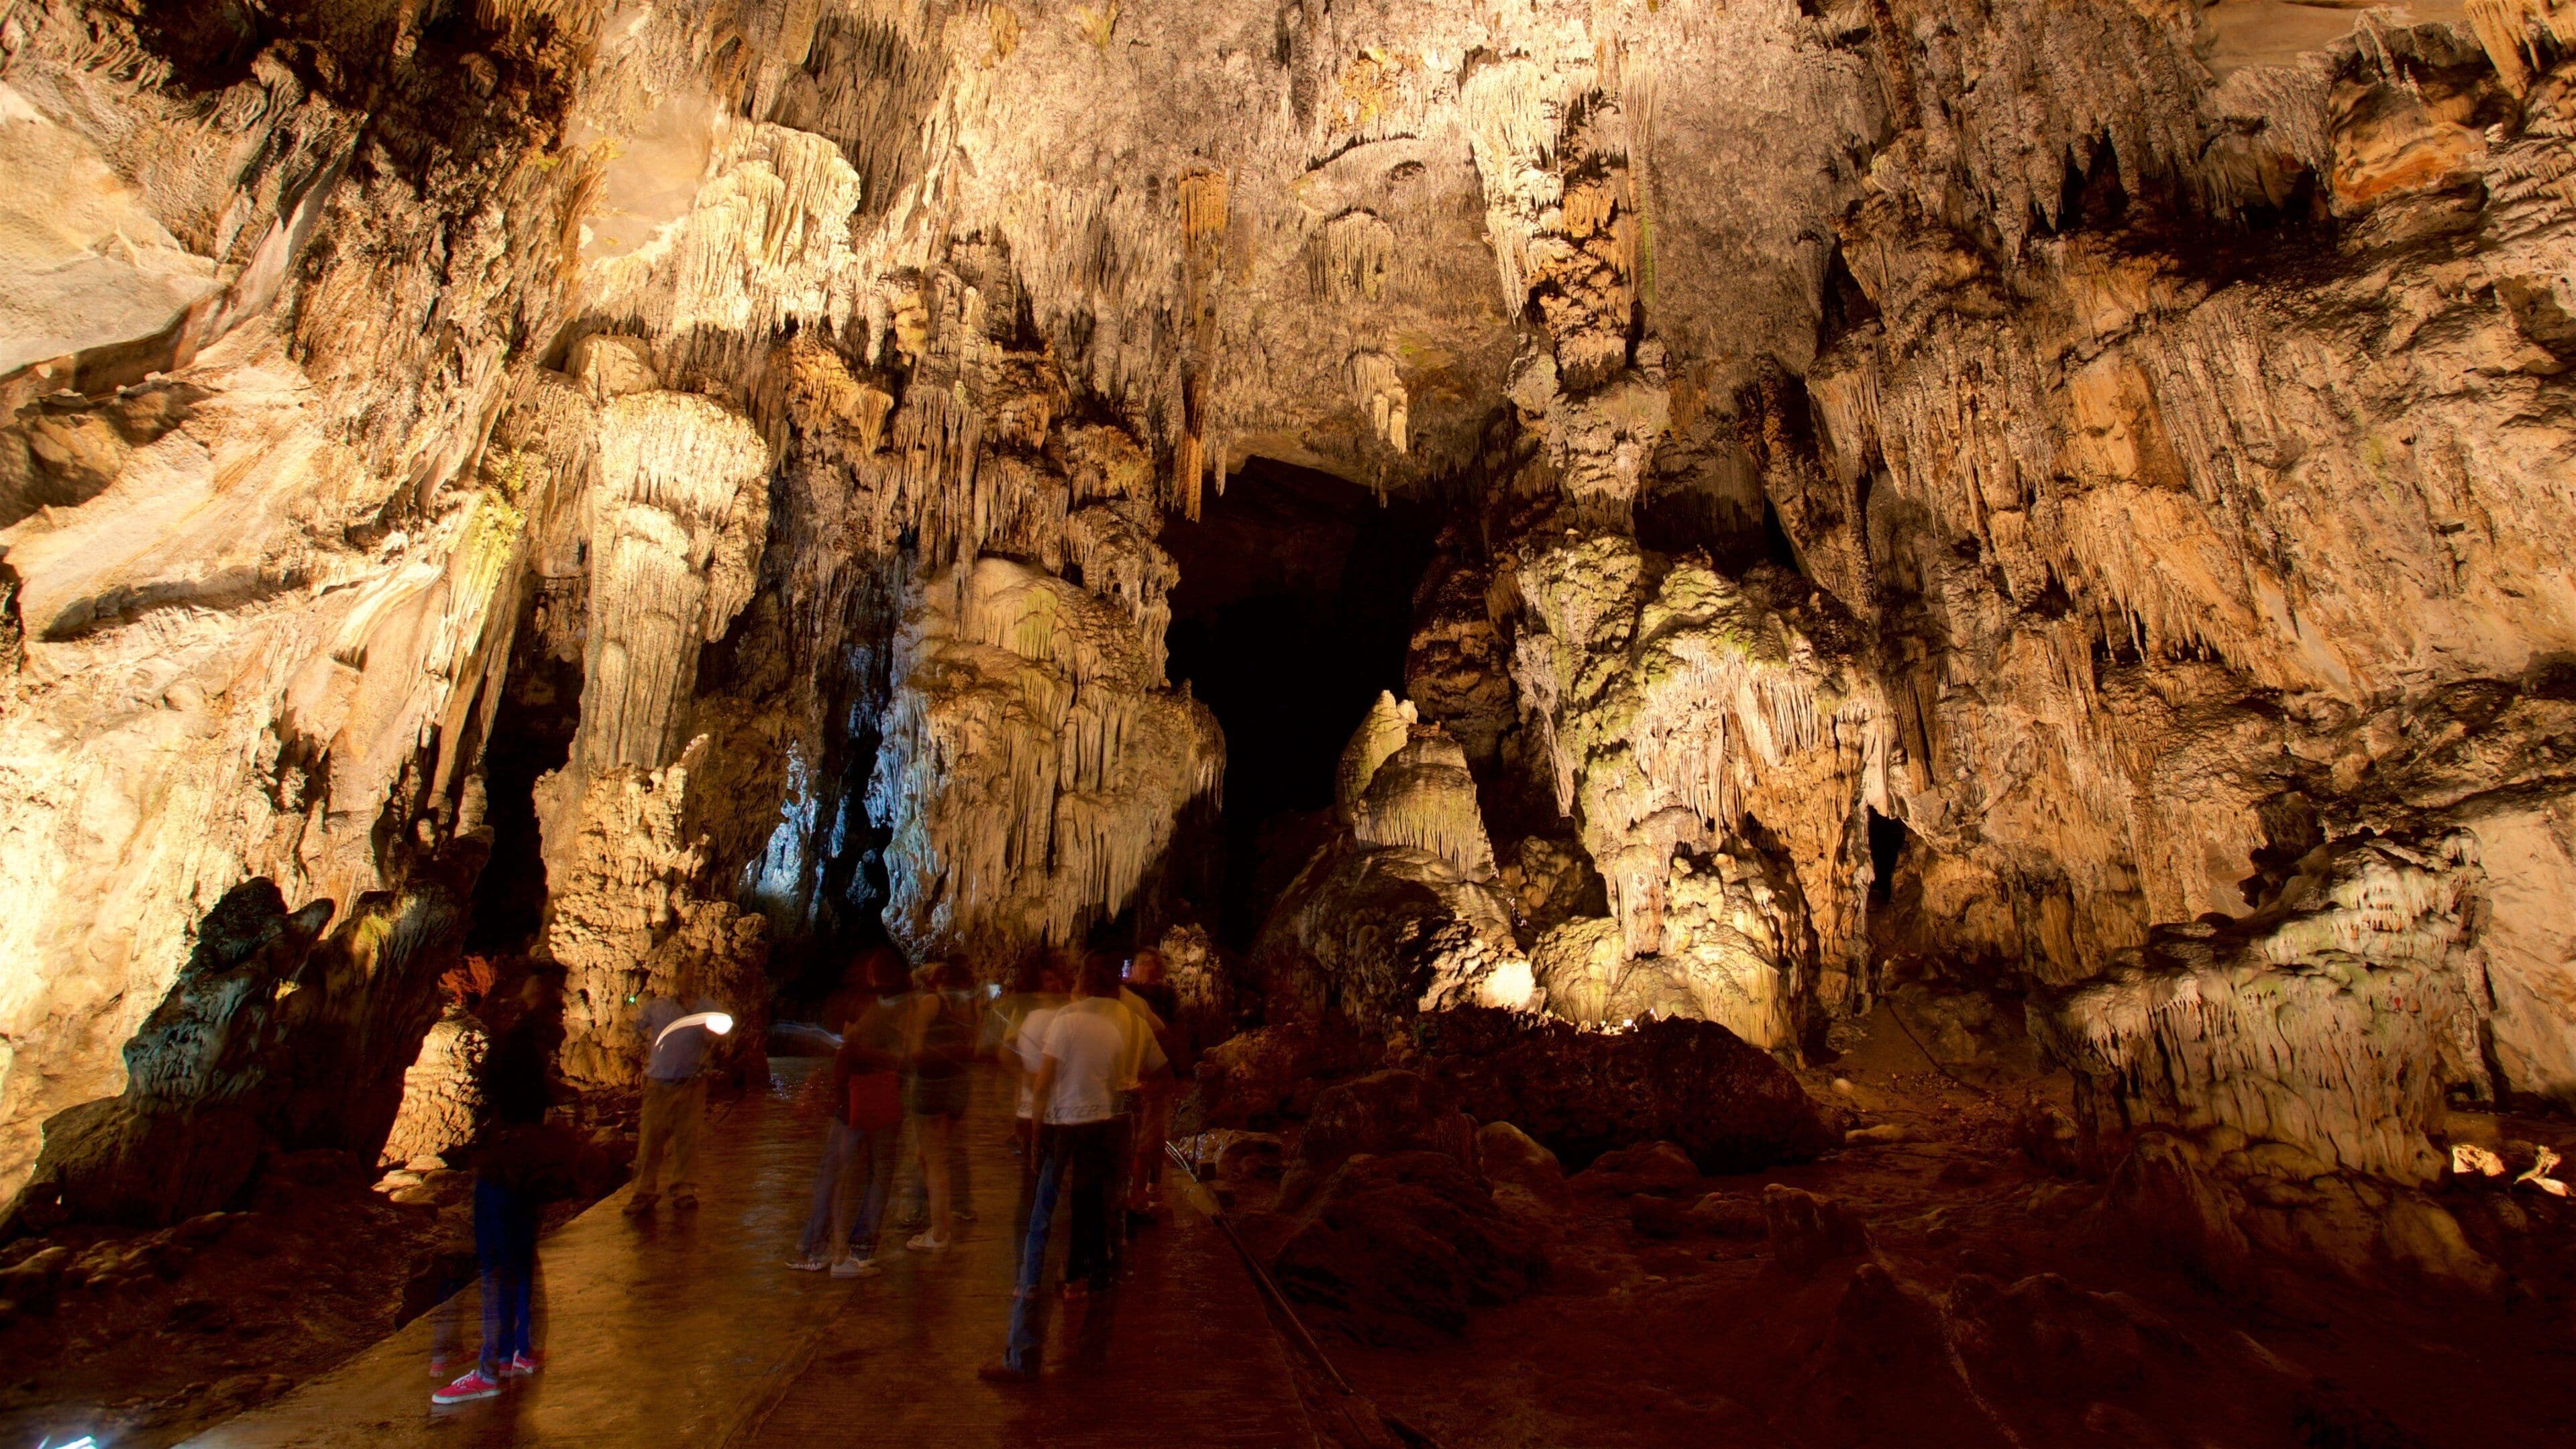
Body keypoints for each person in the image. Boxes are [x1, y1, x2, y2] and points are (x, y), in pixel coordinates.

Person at [981, 949, 1161, 1383]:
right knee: (1100, 1238)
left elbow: (1044, 1084)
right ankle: (1094, 1351)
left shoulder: (1066, 1021)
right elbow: (1138, 1078)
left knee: (1041, 1234)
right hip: (1106, 1134)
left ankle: (1023, 1354)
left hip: (1065, 1133)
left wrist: (1035, 1137)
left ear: (1081, 983)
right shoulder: (1123, 1024)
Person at [434, 972, 566, 1406]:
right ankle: (520, 1352)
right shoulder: (541, 1043)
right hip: (529, 1161)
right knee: (522, 1259)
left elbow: (493, 1086)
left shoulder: (515, 1042)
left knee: (497, 1267)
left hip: (504, 1161)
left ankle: (490, 1368)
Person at [789, 951, 906, 1277]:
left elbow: (845, 1052)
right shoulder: (899, 1010)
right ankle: (860, 1248)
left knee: (836, 1174)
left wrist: (832, 1093)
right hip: (884, 1099)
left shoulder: (861, 1006)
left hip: (856, 1100)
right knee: (877, 1174)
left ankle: (822, 1248)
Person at [627, 976, 724, 1216]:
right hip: (659, 1083)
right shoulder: (659, 1006)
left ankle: (683, 1189)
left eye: (695, 973)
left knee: (687, 1139)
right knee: (651, 1138)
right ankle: (644, 1191)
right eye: (686, 973)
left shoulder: (707, 1007)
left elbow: (723, 1032)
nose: (689, 980)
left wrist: (714, 1042)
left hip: (692, 1083)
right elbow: (635, 1025)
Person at [899, 959, 976, 1252]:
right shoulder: (969, 1006)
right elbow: (974, 1046)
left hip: (931, 1087)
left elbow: (915, 1050)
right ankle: (941, 1216)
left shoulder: (931, 1002)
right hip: (959, 1087)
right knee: (928, 1156)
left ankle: (940, 1234)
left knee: (935, 1161)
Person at [1122, 949, 1185, 1218]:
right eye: (1145, 963)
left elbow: (1170, 1034)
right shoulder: (1129, 997)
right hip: (1134, 1073)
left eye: (1155, 964)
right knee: (1140, 1139)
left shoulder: (1166, 998)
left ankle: (1151, 1188)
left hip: (1156, 1071)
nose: (1151, 968)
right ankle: (1137, 1193)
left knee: (1154, 1137)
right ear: (1133, 969)